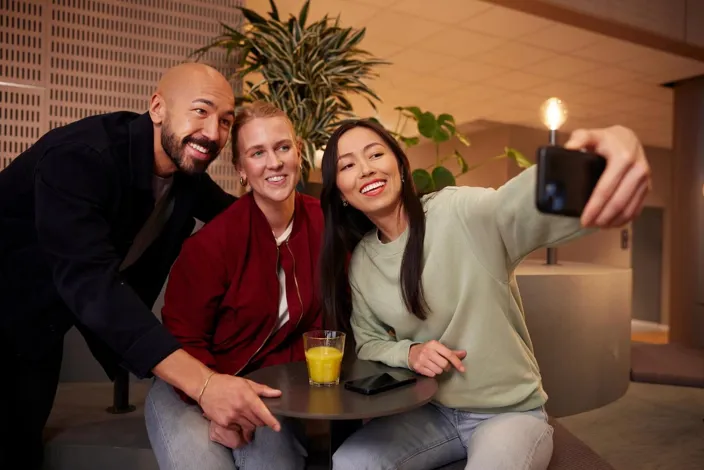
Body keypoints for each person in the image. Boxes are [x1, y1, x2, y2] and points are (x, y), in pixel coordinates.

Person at [318, 119, 651, 470]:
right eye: (348, 165)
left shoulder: (456, 212)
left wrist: (606, 152)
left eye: (375, 154)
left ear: (400, 165)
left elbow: (514, 206)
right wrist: (410, 352)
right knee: (350, 461)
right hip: (431, 413)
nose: (366, 169)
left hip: (506, 414)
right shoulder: (363, 262)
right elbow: (369, 342)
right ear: (340, 192)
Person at [0, 63, 280, 469]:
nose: (214, 133)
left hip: (40, 326)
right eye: (200, 111)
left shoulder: (185, 175)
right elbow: (93, 287)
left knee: (22, 445)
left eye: (225, 120)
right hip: (12, 306)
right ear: (157, 108)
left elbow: (240, 219)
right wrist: (204, 385)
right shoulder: (79, 157)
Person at [144, 100, 324, 470]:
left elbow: (326, 324)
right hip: (189, 386)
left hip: (264, 389)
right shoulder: (211, 244)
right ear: (241, 170)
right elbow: (183, 340)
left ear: (299, 153)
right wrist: (215, 405)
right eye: (257, 153)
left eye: (283, 147)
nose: (274, 162)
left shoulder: (326, 225)